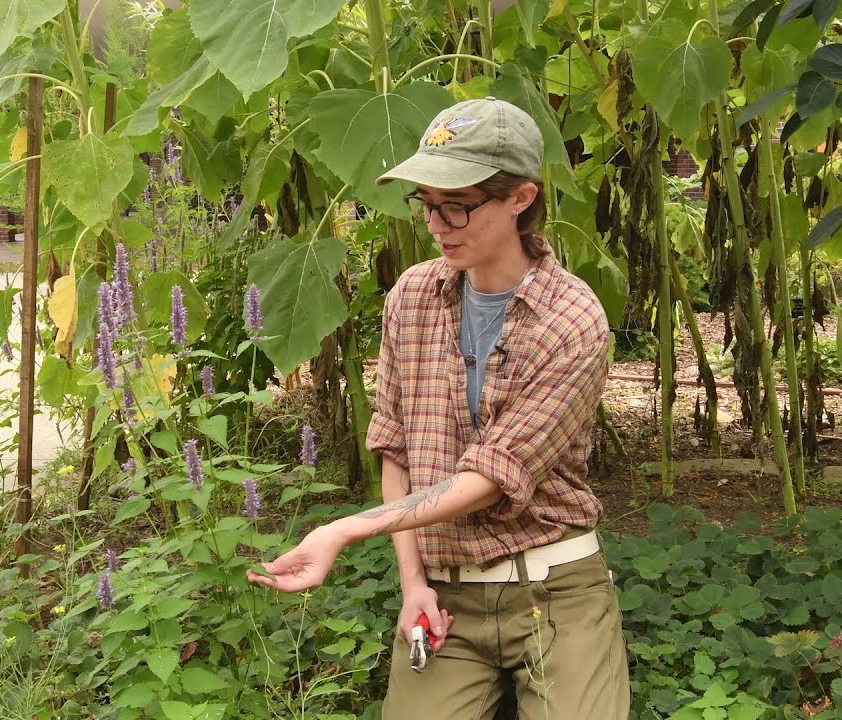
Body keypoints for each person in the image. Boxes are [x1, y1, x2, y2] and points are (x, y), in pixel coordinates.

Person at [247, 97, 630, 719]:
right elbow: (397, 444)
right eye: (427, 203)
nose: (437, 223)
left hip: (556, 589)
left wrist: (346, 528)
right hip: (444, 595)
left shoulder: (573, 320)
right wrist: (412, 583)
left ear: (521, 199)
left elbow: (491, 476)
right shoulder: (413, 297)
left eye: (457, 205)